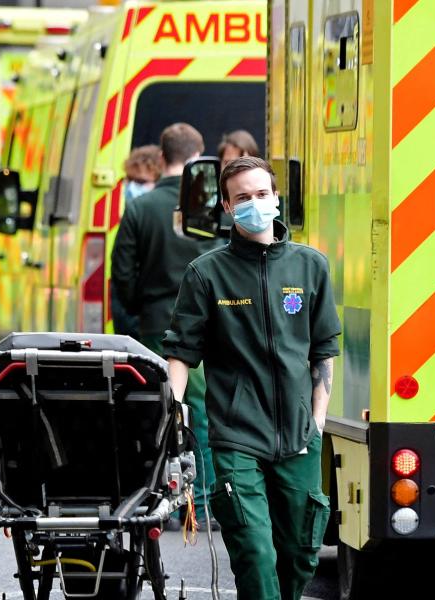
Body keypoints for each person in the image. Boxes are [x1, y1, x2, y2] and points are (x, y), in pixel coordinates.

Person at [163, 157, 341, 600]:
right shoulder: (206, 273)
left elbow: (324, 350)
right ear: (227, 206)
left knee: (300, 554)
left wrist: (318, 421)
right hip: (237, 437)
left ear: (276, 197)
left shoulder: (310, 266)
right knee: (256, 554)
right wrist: (176, 412)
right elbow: (181, 352)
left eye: (262, 194)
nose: (254, 203)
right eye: (242, 197)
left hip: (299, 437)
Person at [112, 123, 221, 527]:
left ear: (161, 157)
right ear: (198, 156)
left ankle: (156, 498)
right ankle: (203, 503)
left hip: (155, 325)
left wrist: (139, 308)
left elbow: (122, 272)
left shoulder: (140, 208)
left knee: (156, 413)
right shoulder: (209, 206)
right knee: (202, 414)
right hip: (206, 325)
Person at [113, 144, 163, 339]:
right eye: (130, 179)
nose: (132, 187)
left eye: (141, 181)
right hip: (131, 316)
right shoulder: (131, 215)